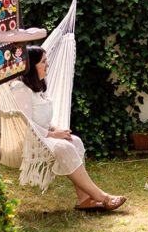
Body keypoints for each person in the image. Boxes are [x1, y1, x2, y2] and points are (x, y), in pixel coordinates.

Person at [9, 46, 127, 212]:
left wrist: (58, 131)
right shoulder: (19, 89)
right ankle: (103, 197)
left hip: (44, 135)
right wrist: (52, 134)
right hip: (30, 141)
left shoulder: (39, 89)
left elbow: (42, 120)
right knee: (64, 147)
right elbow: (25, 125)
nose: (47, 65)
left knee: (74, 141)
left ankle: (84, 199)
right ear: (31, 66)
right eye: (43, 62)